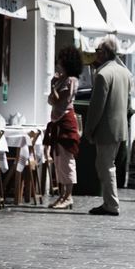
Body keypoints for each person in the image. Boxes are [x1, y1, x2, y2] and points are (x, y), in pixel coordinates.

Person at [84, 36, 132, 216]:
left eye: (97, 51)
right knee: (105, 164)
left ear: (104, 53)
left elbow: (97, 107)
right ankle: (109, 201)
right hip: (120, 128)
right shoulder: (124, 72)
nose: (96, 55)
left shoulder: (103, 75)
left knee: (105, 165)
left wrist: (89, 129)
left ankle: (111, 204)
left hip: (106, 129)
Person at [44, 46, 83, 209]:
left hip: (65, 122)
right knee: (59, 161)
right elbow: (51, 101)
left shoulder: (71, 80)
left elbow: (62, 100)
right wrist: (54, 86)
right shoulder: (61, 79)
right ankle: (62, 195)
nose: (58, 62)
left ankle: (68, 196)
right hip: (57, 122)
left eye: (61, 59)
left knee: (67, 160)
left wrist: (54, 88)